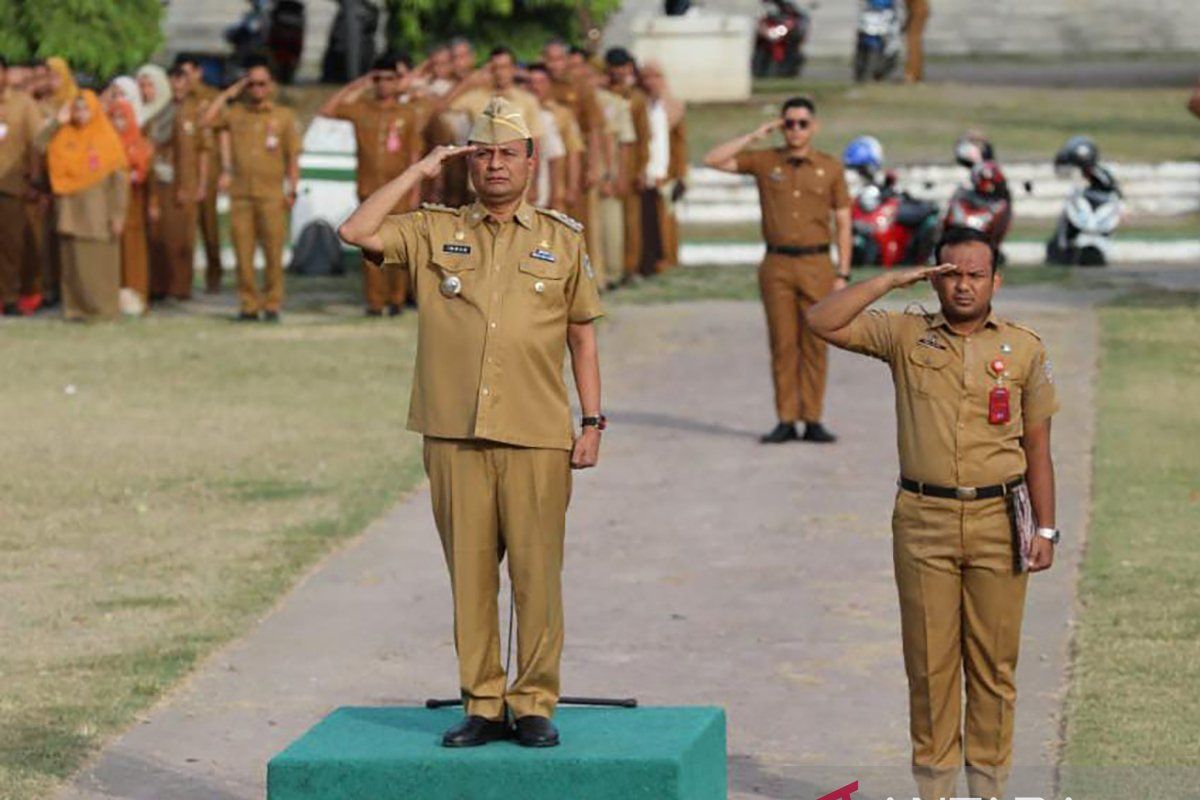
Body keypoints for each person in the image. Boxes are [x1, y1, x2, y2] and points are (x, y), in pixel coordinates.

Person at [337, 97, 604, 750]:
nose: (494, 165)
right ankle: (483, 703)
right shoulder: (432, 230)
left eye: (507, 153)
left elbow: (583, 339)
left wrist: (592, 421)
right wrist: (418, 171)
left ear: (530, 162)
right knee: (471, 576)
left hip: (538, 432)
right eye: (482, 153)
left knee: (538, 576)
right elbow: (357, 230)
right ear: (467, 163)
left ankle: (534, 702)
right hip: (454, 432)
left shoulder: (562, 240)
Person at [806, 225, 1060, 800]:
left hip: (1000, 520)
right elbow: (821, 320)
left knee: (994, 670)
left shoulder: (1023, 348)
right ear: (935, 277)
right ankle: (936, 792)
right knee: (930, 668)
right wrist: (897, 279)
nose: (963, 287)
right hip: (924, 521)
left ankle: (989, 791)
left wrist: (1046, 528)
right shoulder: (905, 334)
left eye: (975, 275)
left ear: (996, 280)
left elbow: (1039, 447)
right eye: (951, 275)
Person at [702, 96, 851, 444]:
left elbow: (843, 221)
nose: (795, 130)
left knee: (816, 342)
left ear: (814, 127)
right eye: (789, 123)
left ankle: (812, 417)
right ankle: (786, 417)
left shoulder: (830, 167)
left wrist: (842, 271)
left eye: (802, 123)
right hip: (777, 264)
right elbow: (713, 159)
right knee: (782, 343)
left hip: (817, 263)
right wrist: (756, 134)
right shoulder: (766, 160)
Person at [317, 54, 422, 316]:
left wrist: (415, 193)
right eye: (378, 79)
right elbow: (327, 110)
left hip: (398, 191)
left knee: (397, 247)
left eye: (389, 79)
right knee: (370, 249)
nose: (384, 84)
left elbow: (414, 157)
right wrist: (358, 84)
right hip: (369, 190)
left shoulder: (408, 113)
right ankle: (375, 301)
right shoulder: (362, 108)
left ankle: (396, 299)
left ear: (398, 82)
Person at [201, 58, 301, 322]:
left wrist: (293, 189)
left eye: (262, 84)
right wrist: (231, 92)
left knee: (273, 252)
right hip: (241, 194)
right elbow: (206, 120)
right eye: (252, 83)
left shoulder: (283, 117)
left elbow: (292, 157)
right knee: (242, 253)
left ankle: (272, 304)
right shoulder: (235, 114)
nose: (257, 89)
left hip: (271, 194)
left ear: (271, 86)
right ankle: (248, 304)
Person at [42, 91, 130, 321]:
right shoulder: (63, 134)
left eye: (85, 109)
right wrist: (56, 123)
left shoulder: (107, 138)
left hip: (98, 212)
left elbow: (120, 181)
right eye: (77, 109)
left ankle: (104, 310)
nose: (81, 114)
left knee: (98, 263)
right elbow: (38, 144)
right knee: (73, 262)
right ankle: (75, 309)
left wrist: (118, 214)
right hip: (70, 210)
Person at [148, 66, 210, 303]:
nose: (177, 87)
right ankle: (160, 286)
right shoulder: (160, 111)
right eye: (173, 82)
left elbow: (203, 150)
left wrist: (202, 184)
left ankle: (181, 288)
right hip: (162, 178)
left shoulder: (195, 112)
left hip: (188, 181)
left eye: (181, 82)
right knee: (160, 234)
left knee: (183, 238)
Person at [176, 54, 224, 294]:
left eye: (188, 73)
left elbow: (223, 134)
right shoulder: (179, 100)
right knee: (185, 227)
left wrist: (227, 168)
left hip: (209, 169)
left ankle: (214, 275)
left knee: (209, 225)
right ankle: (183, 278)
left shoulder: (211, 97)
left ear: (198, 72)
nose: (184, 78)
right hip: (185, 171)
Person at [0, 55, 44, 316]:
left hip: (13, 186)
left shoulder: (23, 105)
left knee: (13, 245)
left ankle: (11, 296)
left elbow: (36, 144)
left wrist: (35, 180)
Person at [603, 47, 650, 285]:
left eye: (623, 67)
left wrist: (642, 169)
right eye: (615, 67)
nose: (619, 72)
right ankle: (611, 267)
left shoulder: (637, 98)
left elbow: (644, 136)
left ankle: (631, 268)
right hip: (609, 163)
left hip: (631, 165)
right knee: (610, 220)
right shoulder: (601, 95)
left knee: (631, 219)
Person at [106, 94, 153, 308]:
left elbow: (143, 171)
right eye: (113, 117)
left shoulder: (139, 142)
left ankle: (137, 295)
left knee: (133, 249)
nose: (118, 122)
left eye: (122, 117)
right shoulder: (104, 143)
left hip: (132, 202)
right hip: (109, 204)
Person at [526, 62, 582, 212]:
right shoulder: (518, 111)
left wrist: (572, 186)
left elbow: (573, 150)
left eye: (540, 82)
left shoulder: (561, 113)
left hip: (554, 183)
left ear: (549, 84)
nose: (535, 87)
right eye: (530, 82)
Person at [904, 0, 930, 84]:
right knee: (914, 39)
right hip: (915, 10)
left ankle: (912, 74)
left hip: (917, 10)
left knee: (913, 39)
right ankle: (915, 74)